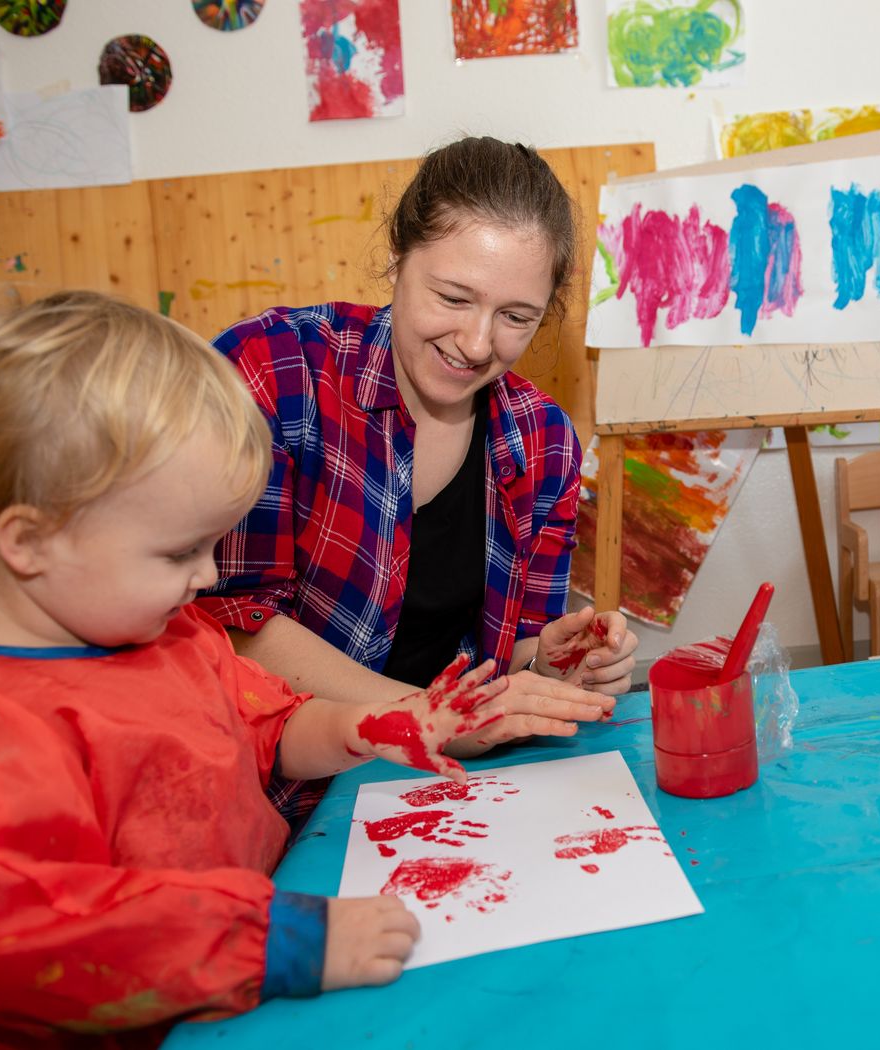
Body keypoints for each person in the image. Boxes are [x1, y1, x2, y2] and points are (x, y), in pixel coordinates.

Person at [0, 290, 506, 1046]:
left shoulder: (170, 634)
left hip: (248, 987)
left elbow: (267, 724)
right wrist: (284, 943)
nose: (209, 575)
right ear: (29, 542)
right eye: (178, 552)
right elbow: (50, 939)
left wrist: (364, 726)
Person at [200, 138, 638, 811]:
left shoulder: (545, 440)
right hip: (271, 795)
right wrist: (443, 721)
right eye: (453, 297)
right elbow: (232, 626)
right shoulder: (275, 370)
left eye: (516, 317)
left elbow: (513, 648)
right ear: (399, 256)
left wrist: (550, 666)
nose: (475, 342)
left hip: (451, 799)